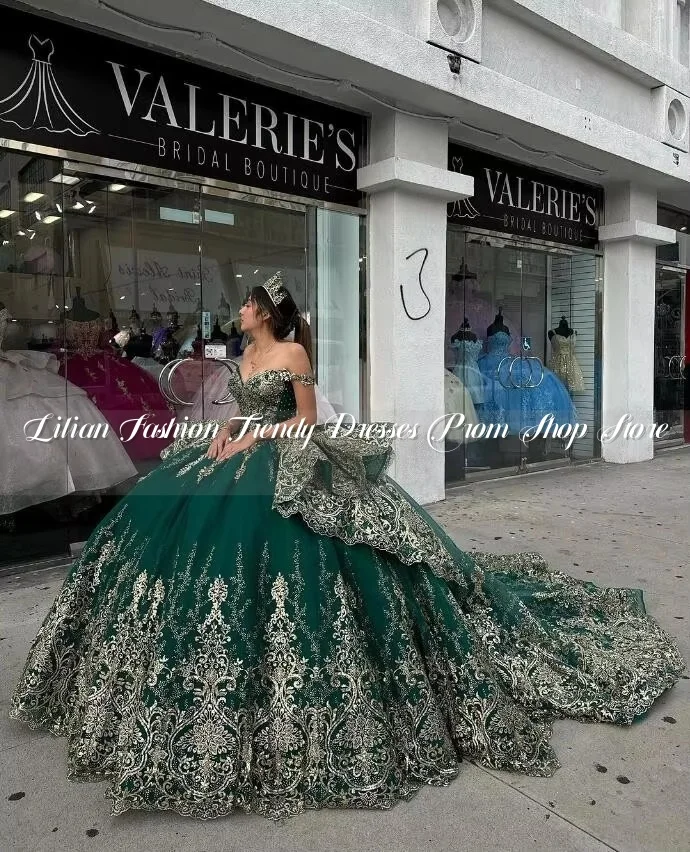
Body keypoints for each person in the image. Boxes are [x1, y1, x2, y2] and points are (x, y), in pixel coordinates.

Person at [10, 272, 684, 822]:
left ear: (266, 314)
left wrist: (252, 438)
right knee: (161, 536)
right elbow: (245, 409)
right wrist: (226, 435)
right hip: (237, 457)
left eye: (246, 304)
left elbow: (302, 422)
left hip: (290, 461)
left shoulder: (294, 354)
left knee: (325, 560)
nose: (238, 311)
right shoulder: (244, 356)